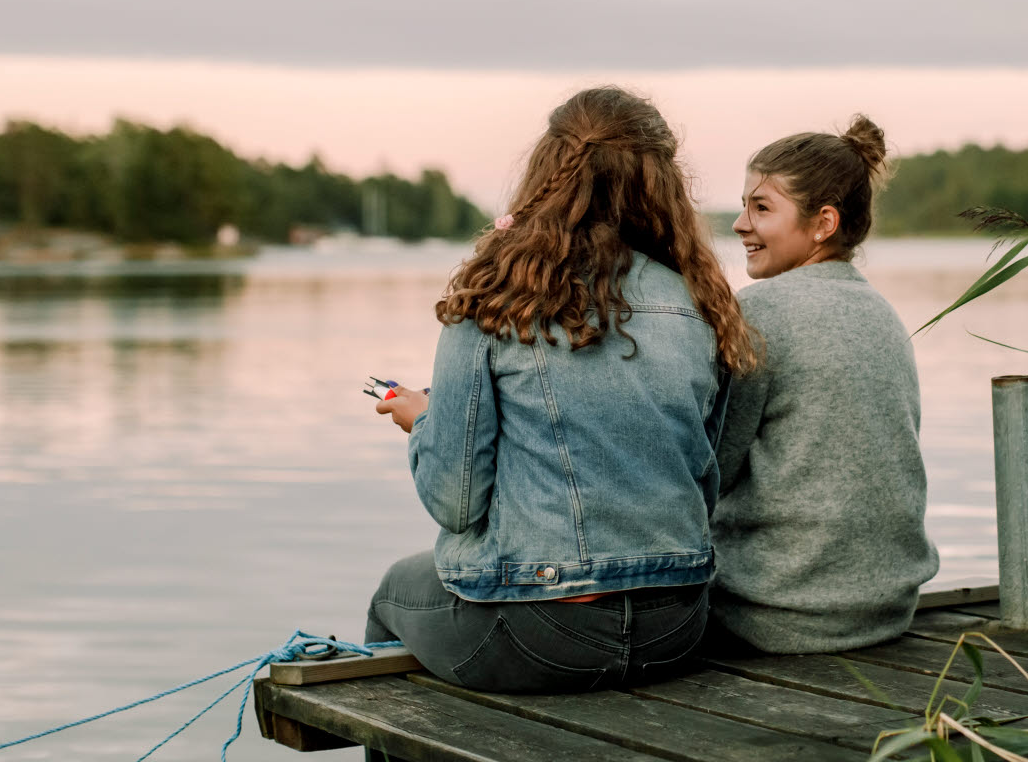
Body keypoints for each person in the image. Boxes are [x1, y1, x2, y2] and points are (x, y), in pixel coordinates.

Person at [367, 86, 757, 692]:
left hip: (543, 631)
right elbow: (700, 482)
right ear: (661, 185)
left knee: (394, 593)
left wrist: (423, 423)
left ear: (547, 173)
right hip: (678, 625)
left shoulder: (492, 302)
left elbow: (456, 502)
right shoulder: (700, 304)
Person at [711, 115, 939, 653]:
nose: (741, 224)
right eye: (744, 205)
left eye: (761, 208)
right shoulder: (882, 313)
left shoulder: (757, 313)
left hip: (773, 614)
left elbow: (712, 469)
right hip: (885, 609)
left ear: (823, 223)